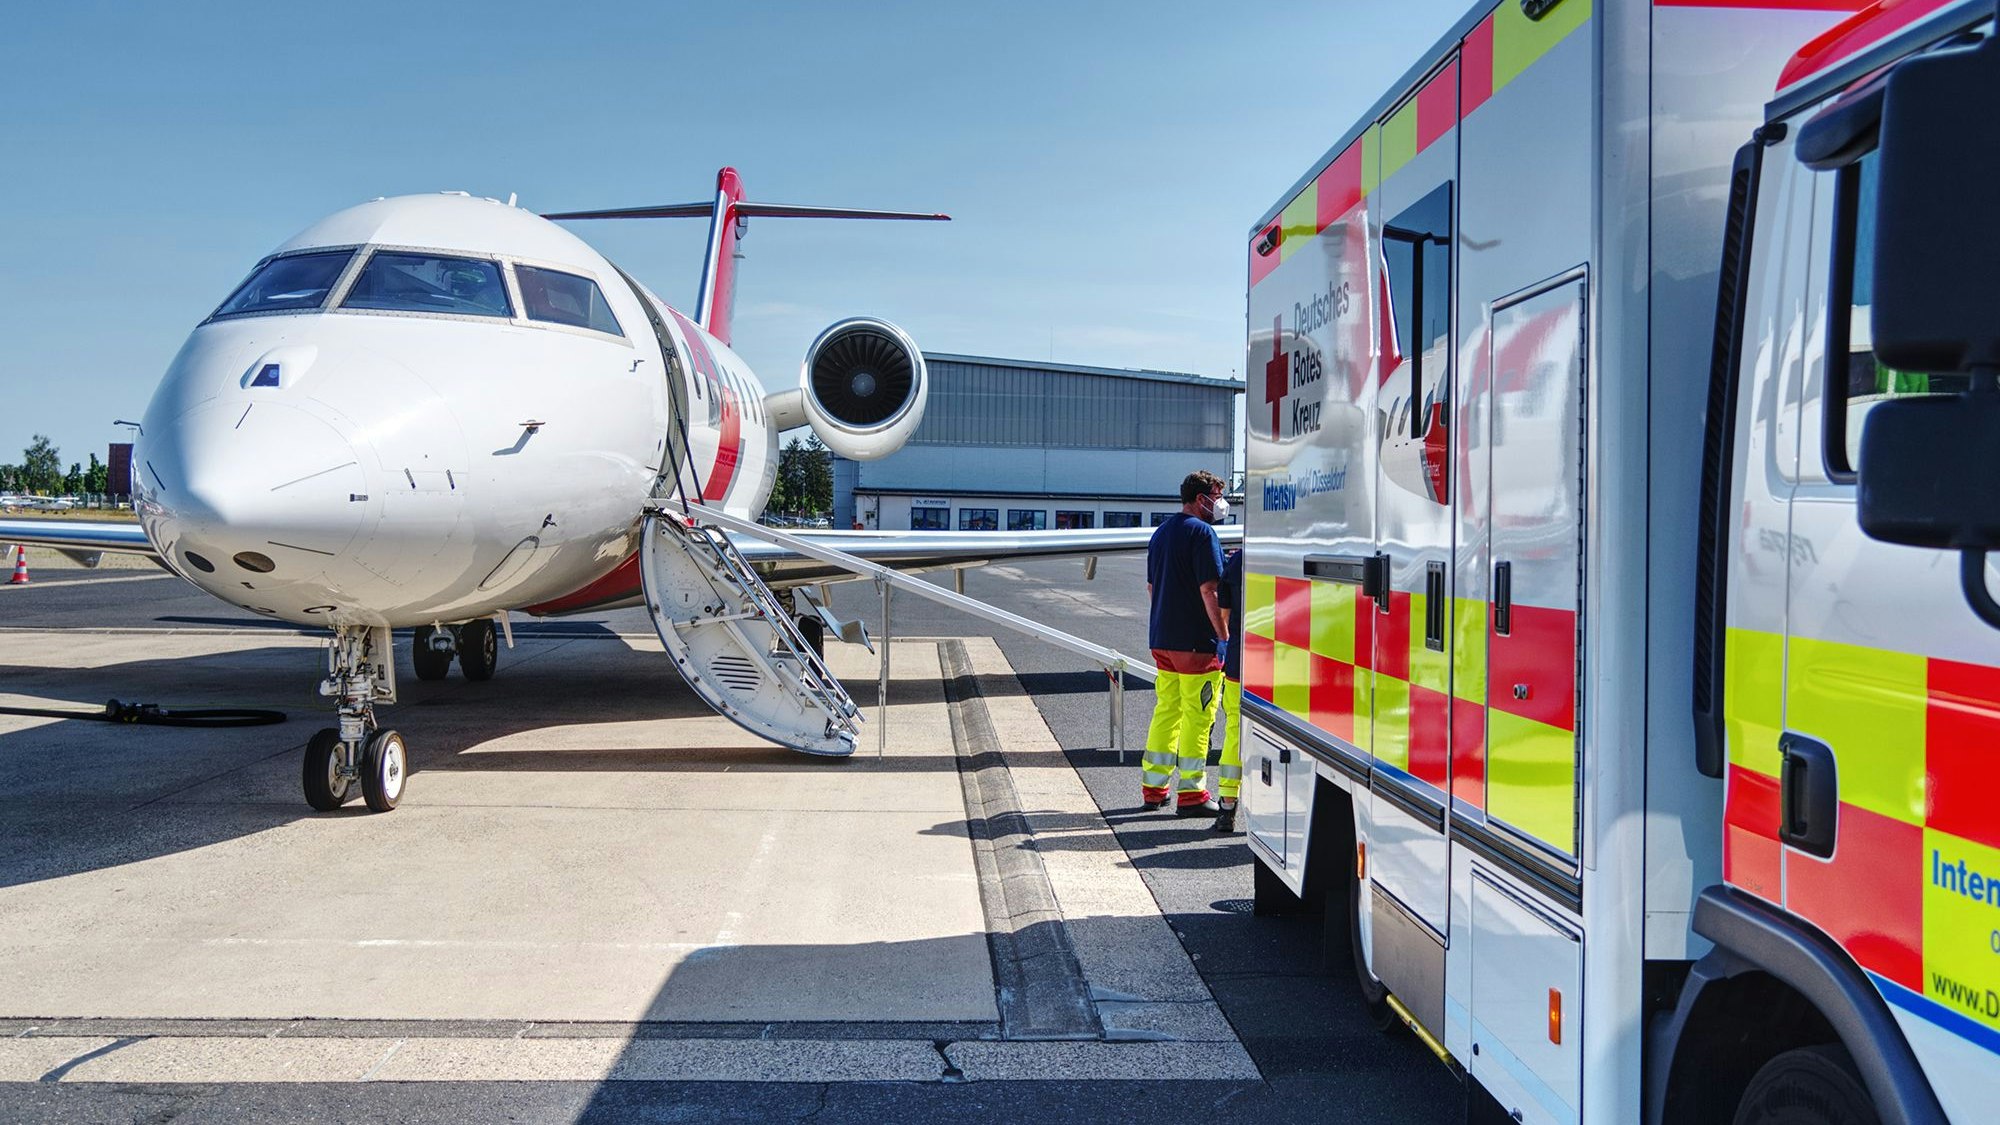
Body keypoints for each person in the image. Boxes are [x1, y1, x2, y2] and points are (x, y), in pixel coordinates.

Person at [1142, 470, 1230, 815]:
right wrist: (1223, 636)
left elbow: (1151, 588)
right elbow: (1210, 590)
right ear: (1200, 498)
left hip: (1163, 640)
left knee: (1167, 711)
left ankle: (1154, 788)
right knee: (1199, 716)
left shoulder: (1161, 533)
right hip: (1196, 644)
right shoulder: (1203, 533)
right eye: (1217, 496)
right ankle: (1192, 793)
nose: (1220, 504)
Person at [1211, 546, 1244, 832]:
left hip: (1239, 665)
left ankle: (1227, 807)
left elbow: (1223, 615)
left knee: (1234, 732)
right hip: (1283, 667)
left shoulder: (1239, 561)